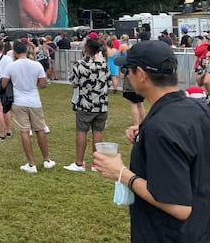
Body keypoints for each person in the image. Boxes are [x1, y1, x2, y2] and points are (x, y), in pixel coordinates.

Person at [94, 41, 210, 242]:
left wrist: (122, 173)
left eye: (127, 70)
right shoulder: (197, 109)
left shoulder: (160, 126)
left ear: (141, 74)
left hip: (169, 234)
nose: (126, 75)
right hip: (200, 229)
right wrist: (145, 136)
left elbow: (179, 207)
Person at [0, 40, 56, 173]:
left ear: (15, 52)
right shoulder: (36, 65)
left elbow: (3, 84)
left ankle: (31, 164)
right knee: (40, 130)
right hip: (34, 100)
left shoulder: (11, 66)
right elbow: (43, 84)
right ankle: (47, 159)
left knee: (24, 131)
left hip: (19, 101)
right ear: (27, 50)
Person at [65, 38, 110, 172]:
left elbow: (74, 83)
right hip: (101, 104)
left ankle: (79, 163)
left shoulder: (79, 65)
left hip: (85, 103)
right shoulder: (103, 64)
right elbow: (107, 80)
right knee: (98, 132)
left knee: (82, 132)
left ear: (85, 50)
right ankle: (96, 164)